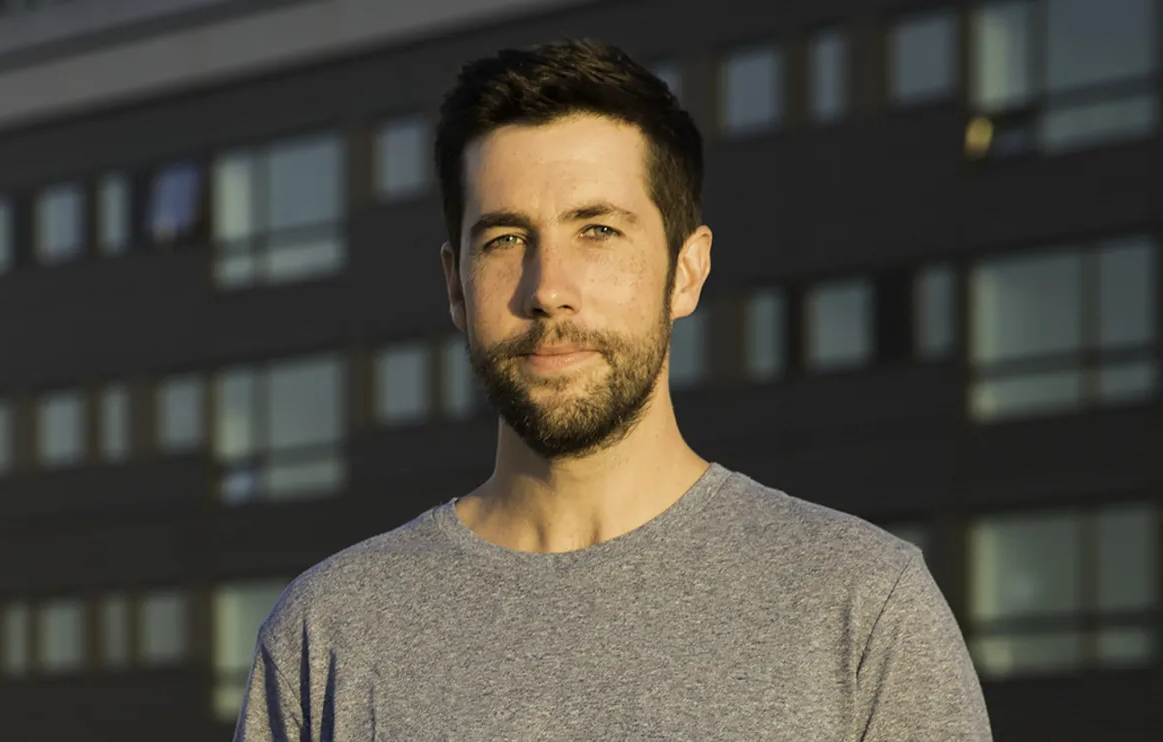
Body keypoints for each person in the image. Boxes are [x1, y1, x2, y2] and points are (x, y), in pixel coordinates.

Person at [233, 39, 992, 741]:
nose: (548, 290)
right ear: (455, 288)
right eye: (505, 240)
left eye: (597, 230)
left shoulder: (860, 606)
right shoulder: (327, 633)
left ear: (686, 271)